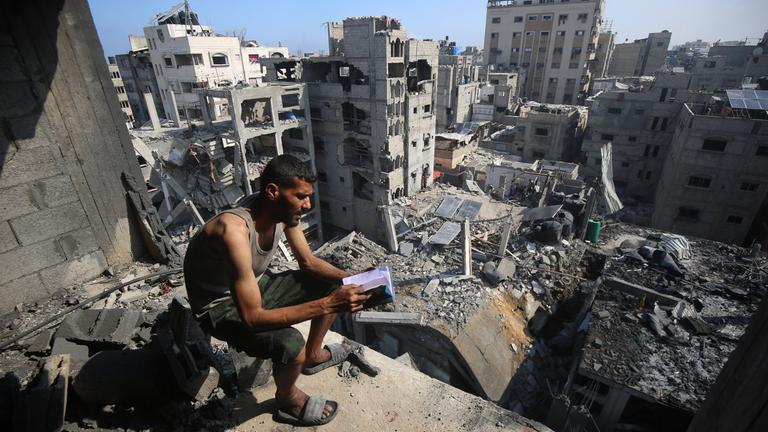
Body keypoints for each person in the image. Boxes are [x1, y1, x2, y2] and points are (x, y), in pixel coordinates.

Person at [183, 154, 371, 426]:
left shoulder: (282, 211)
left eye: (308, 197)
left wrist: (355, 279)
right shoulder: (233, 231)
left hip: (254, 285)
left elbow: (308, 262)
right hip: (219, 308)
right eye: (301, 197)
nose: (308, 205)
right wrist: (330, 304)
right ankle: (287, 398)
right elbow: (252, 318)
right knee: (292, 344)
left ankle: (313, 356)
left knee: (332, 283)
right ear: (273, 191)